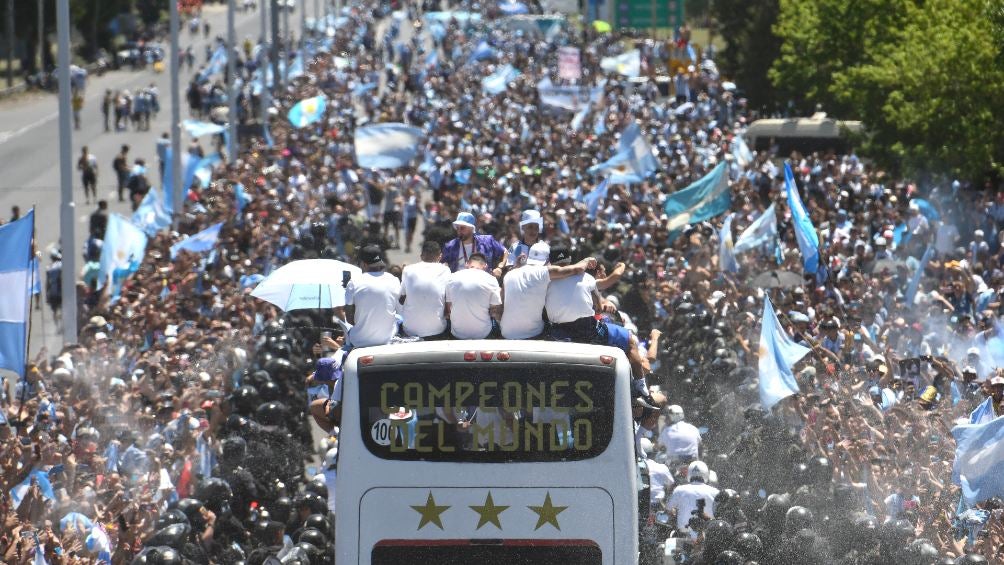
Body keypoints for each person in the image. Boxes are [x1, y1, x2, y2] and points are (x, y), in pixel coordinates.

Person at [500, 241, 596, 340]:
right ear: (548, 260)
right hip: (533, 334)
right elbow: (577, 269)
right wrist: (587, 260)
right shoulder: (544, 272)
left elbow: (500, 304)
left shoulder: (509, 274)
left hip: (506, 333)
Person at [344, 244, 401, 348]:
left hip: (359, 341)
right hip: (387, 340)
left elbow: (349, 319)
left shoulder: (354, 282)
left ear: (364, 264)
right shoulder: (393, 280)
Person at [400, 241, 451, 339]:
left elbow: (401, 299)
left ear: (421, 256)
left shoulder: (407, 269)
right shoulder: (445, 270)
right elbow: (448, 299)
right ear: (440, 256)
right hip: (437, 330)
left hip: (410, 330)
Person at [445, 253, 502, 339]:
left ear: (467, 264)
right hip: (483, 334)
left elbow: (449, 308)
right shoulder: (491, 279)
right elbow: (495, 310)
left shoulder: (452, 277)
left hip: (457, 333)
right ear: (485, 266)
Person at [440, 212, 507, 275]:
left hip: (483, 282)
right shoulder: (450, 246)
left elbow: (505, 252)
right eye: (457, 228)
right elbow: (442, 264)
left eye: (462, 228)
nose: (459, 231)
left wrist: (499, 268)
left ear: (472, 228)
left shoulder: (487, 241)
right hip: (459, 283)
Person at [665, 460, 719, 536]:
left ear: (689, 473)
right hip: (707, 537)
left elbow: (668, 510)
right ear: (706, 473)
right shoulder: (715, 492)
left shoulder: (679, 490)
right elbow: (719, 514)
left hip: (683, 537)